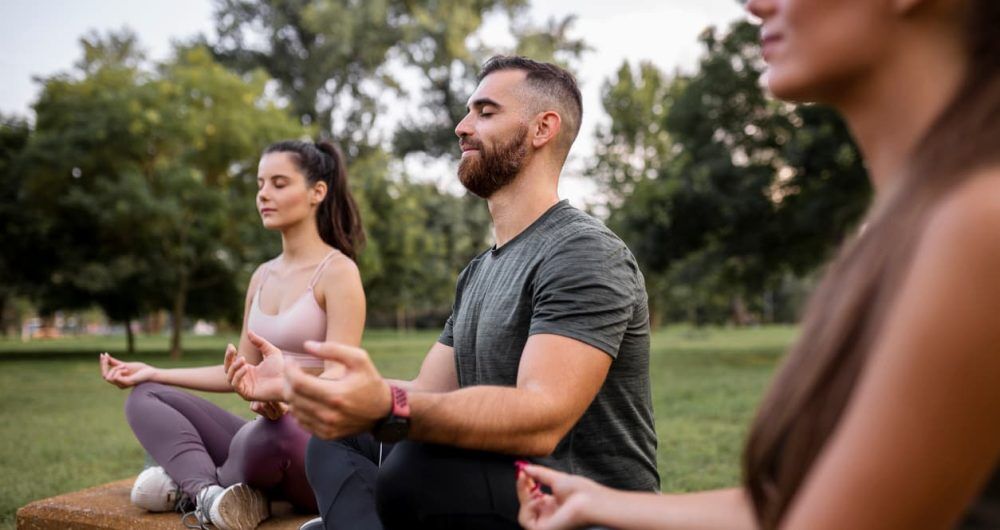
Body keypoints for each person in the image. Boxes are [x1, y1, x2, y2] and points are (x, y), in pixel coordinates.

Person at [515, 0, 1000, 529]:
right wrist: (595, 501)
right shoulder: (914, 224)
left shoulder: (978, 225)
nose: (755, 5)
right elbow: (796, 504)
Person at [272, 56, 658, 530]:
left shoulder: (584, 251)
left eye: (485, 112)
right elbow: (426, 391)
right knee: (338, 435)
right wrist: (305, 383)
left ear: (542, 128)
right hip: (505, 482)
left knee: (415, 468)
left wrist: (390, 407)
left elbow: (542, 418)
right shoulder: (479, 271)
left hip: (583, 508)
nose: (462, 127)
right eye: (468, 112)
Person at [99, 139, 366, 530]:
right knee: (145, 397)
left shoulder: (339, 272)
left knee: (272, 432)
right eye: (260, 184)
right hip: (261, 434)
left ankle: (188, 485)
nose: (263, 194)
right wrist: (152, 371)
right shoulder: (261, 276)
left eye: (278, 183)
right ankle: (211, 495)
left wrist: (285, 395)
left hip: (312, 442)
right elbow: (239, 372)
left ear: (317, 192)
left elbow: (340, 377)